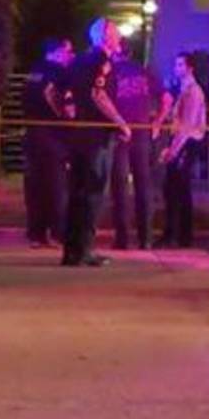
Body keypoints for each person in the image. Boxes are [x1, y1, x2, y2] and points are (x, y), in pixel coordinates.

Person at [61, 17, 131, 267]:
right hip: (97, 138)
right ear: (104, 37)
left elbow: (62, 94)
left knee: (76, 194)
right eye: (115, 33)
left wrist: (71, 118)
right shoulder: (102, 61)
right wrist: (121, 122)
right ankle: (86, 249)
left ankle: (71, 251)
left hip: (78, 136)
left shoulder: (77, 61)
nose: (119, 37)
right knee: (93, 193)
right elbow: (98, 94)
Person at [108, 48, 166, 250]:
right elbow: (166, 98)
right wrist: (157, 122)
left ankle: (122, 239)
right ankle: (145, 238)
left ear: (115, 53)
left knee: (120, 187)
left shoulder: (111, 71)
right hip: (142, 132)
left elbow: (105, 101)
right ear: (131, 53)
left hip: (121, 133)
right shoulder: (144, 71)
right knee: (143, 185)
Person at [22, 37, 74, 248]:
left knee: (34, 186)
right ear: (57, 51)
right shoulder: (59, 72)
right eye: (68, 51)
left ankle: (36, 234)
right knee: (56, 186)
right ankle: (57, 233)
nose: (71, 55)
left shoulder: (34, 71)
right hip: (52, 135)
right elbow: (51, 93)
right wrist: (63, 114)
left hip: (32, 133)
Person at [159, 51, 207, 248]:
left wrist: (173, 150)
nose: (176, 68)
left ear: (189, 68)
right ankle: (177, 234)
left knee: (177, 188)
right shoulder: (183, 89)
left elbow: (187, 126)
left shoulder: (193, 91)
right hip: (182, 141)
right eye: (176, 64)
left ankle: (178, 234)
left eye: (180, 65)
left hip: (187, 142)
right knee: (175, 188)